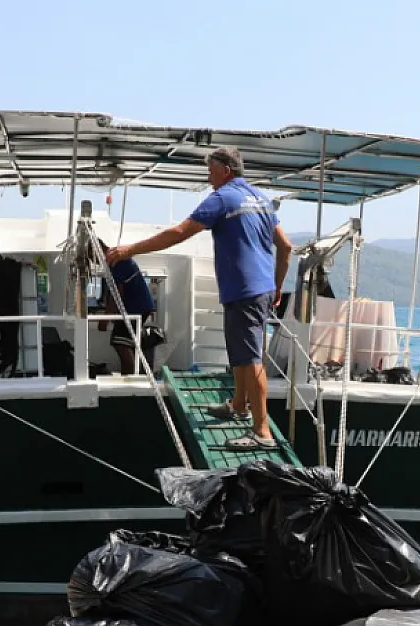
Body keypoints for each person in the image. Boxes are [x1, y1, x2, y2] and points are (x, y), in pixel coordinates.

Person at [108, 146, 293, 451]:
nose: (209, 178)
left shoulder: (223, 198)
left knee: (250, 359)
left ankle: (262, 432)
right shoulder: (260, 199)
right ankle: (238, 405)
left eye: (211, 171)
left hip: (243, 290)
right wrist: (276, 286)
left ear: (226, 170)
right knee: (241, 354)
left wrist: (130, 250)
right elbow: (285, 247)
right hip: (258, 289)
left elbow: (180, 232)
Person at [95, 238, 156, 374]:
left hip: (137, 309)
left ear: (96, 251)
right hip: (138, 308)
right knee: (124, 342)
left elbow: (116, 295)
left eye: (91, 257)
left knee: (119, 342)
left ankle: (131, 378)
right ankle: (133, 375)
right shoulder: (116, 259)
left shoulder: (116, 262)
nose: (93, 262)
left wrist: (104, 321)